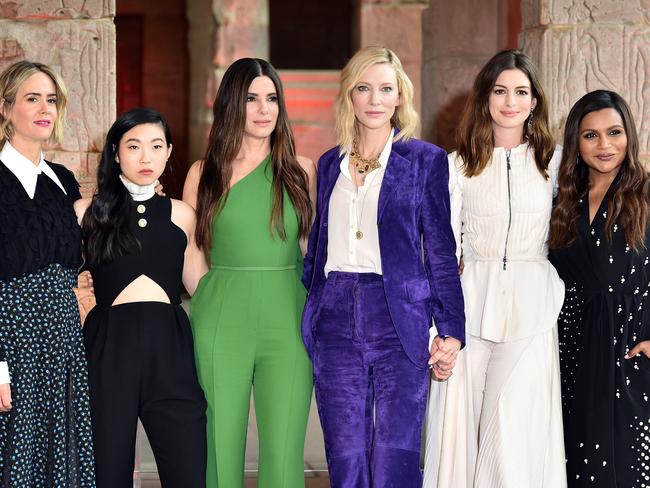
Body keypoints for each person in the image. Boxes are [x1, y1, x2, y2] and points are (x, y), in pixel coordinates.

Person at [301, 46, 465, 487]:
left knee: (396, 453)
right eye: (364, 88)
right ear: (350, 97)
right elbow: (317, 249)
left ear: (399, 98)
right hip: (335, 316)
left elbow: (442, 252)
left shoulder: (425, 161)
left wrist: (450, 329)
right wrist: (313, 311)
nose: (375, 99)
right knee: (346, 453)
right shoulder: (328, 164)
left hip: (399, 318)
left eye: (385, 89)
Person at [425, 49, 567, 487]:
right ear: (485, 97)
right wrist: (438, 330)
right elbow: (440, 249)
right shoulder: (456, 165)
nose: (510, 101)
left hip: (532, 307)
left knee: (513, 430)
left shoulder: (556, 164)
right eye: (501, 90)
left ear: (534, 101)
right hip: (468, 307)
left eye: (521, 92)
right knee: (458, 432)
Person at [182, 58, 315, 487]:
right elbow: (191, 250)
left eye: (272, 98)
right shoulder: (203, 174)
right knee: (219, 444)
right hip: (221, 316)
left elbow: (309, 250)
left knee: (284, 448)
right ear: (231, 105)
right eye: (252, 99)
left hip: (289, 317)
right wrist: (209, 297)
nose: (264, 109)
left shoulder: (302, 171)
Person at [75, 107, 207, 487]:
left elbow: (201, 286)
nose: (146, 157)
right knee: (106, 471)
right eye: (134, 146)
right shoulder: (87, 213)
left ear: (169, 152)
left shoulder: (183, 214)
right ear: (115, 153)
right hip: (108, 346)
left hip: (171, 346)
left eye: (156, 146)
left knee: (187, 466)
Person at [0, 60, 95, 486]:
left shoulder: (64, 181)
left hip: (61, 336)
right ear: (6, 108)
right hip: (11, 337)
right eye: (32, 98)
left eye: (51, 99)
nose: (44, 108)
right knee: (14, 456)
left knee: (62, 458)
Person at [548, 90, 650, 487]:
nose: (605, 145)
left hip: (629, 347)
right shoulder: (562, 203)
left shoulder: (645, 194)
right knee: (576, 461)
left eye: (614, 132)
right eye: (591, 135)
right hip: (572, 347)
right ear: (575, 141)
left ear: (630, 136)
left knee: (627, 463)